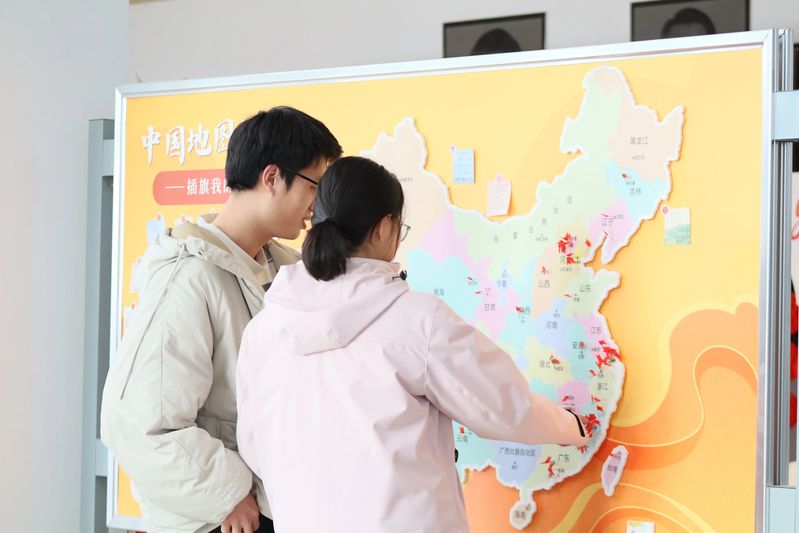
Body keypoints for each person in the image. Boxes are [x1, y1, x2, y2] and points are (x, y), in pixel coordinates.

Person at [235, 156, 588, 533]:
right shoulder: (418, 320)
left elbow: (254, 445)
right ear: (385, 227)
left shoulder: (263, 329)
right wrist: (570, 425)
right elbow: (503, 406)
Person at [101, 106, 342, 533]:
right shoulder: (188, 279)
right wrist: (228, 496)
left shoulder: (285, 271)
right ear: (272, 177)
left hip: (274, 508)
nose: (317, 204)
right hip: (219, 519)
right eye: (314, 186)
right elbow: (138, 424)